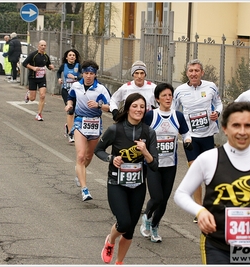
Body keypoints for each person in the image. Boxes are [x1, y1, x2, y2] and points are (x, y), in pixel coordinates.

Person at [174, 101, 250, 265]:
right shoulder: (209, 159)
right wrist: (200, 211)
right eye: (236, 125)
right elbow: (181, 194)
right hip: (216, 245)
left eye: (247, 125)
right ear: (225, 129)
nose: (242, 131)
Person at [94, 93, 158, 264]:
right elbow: (98, 149)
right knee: (123, 223)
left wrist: (145, 152)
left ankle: (119, 262)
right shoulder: (115, 129)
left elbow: (154, 165)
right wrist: (110, 158)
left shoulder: (149, 132)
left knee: (129, 231)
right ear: (128, 108)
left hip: (137, 185)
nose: (138, 109)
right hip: (117, 182)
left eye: (142, 107)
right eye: (135, 106)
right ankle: (110, 241)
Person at [140, 83, 192, 243]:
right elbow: (141, 134)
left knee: (164, 200)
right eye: (164, 95)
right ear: (157, 99)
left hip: (170, 164)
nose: (168, 98)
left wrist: (188, 139)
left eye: (170, 95)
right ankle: (146, 218)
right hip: (153, 164)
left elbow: (186, 132)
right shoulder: (151, 116)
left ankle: (155, 226)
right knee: (157, 197)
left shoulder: (178, 116)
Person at [172, 59, 223, 208]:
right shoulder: (180, 90)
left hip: (207, 136)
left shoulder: (211, 87)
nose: (194, 74)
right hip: (190, 138)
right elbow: (174, 112)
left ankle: (209, 205)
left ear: (202, 73)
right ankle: (198, 207)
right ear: (187, 73)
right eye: (191, 71)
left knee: (209, 173)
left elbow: (219, 103)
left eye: (196, 71)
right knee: (195, 172)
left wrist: (217, 113)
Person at [65, 60, 111, 201]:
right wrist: (69, 105)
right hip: (80, 121)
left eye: (91, 73)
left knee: (88, 157)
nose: (89, 76)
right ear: (82, 74)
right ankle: (85, 190)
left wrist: (98, 105)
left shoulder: (101, 89)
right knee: (80, 156)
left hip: (95, 123)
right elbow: (70, 98)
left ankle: (79, 172)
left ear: (95, 75)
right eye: (86, 73)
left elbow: (110, 106)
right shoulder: (77, 86)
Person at [22, 40, 55, 121]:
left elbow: (48, 66)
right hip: (33, 78)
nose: (43, 47)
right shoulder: (33, 55)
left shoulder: (46, 56)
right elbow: (24, 63)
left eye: (45, 45)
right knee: (32, 99)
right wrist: (33, 68)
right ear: (38, 46)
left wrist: (51, 67)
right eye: (42, 45)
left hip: (42, 78)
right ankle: (28, 94)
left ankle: (39, 114)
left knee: (42, 95)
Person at [57, 49, 82, 143]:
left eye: (73, 55)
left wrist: (75, 77)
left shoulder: (78, 66)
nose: (72, 57)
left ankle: (68, 126)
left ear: (75, 57)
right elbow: (58, 72)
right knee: (70, 110)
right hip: (66, 91)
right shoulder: (64, 66)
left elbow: (82, 76)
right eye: (70, 55)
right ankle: (71, 134)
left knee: (77, 112)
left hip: (76, 92)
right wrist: (59, 79)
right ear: (66, 57)